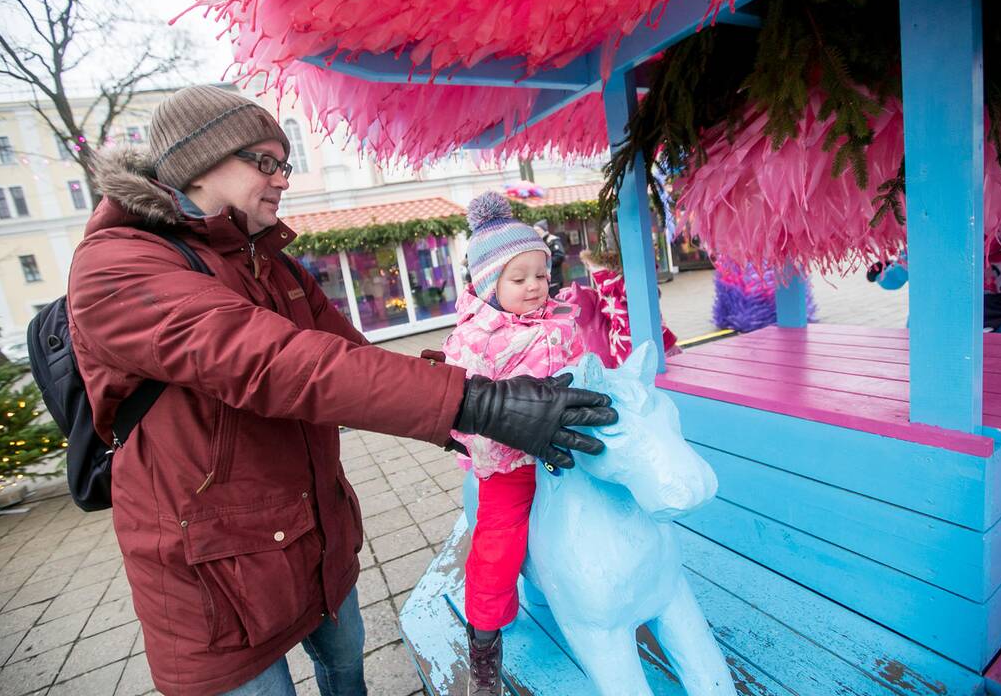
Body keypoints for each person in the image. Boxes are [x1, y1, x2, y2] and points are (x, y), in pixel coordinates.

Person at [67, 85, 616, 696]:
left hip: (310, 538)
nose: (282, 179)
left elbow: (355, 362)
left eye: (286, 162)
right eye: (266, 162)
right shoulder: (117, 266)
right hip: (211, 576)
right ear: (200, 162)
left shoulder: (271, 261)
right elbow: (278, 362)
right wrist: (478, 403)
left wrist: (479, 398)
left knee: (346, 673)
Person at [442, 193, 584, 696]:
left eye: (540, 276)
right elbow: (457, 409)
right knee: (499, 543)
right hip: (508, 462)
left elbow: (585, 372)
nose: (534, 288)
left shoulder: (561, 320)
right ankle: (483, 637)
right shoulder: (473, 341)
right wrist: (497, 429)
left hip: (564, 449)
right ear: (488, 285)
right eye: (518, 279)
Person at [578, 248, 679, 366]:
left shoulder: (603, 282)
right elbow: (647, 299)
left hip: (621, 344)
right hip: (643, 338)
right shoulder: (624, 280)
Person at [533, 218, 566, 297]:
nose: (536, 232)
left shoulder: (553, 240)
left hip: (555, 279)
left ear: (543, 230)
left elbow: (560, 256)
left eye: (538, 230)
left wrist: (544, 263)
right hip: (546, 280)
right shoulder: (540, 242)